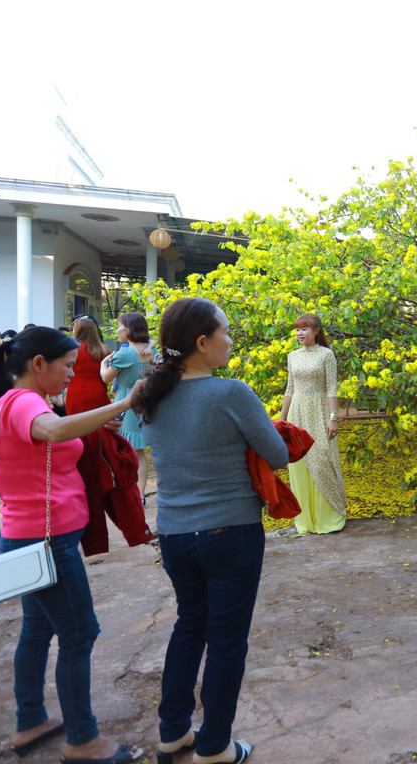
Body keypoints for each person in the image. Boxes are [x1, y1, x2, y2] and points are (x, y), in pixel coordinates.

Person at [0, 326, 143, 764]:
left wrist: (97, 421)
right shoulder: (25, 402)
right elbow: (52, 432)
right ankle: (82, 740)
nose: (73, 373)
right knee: (78, 633)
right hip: (45, 539)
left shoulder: (15, 401)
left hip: (30, 535)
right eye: (67, 366)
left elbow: (50, 437)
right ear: (39, 364)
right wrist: (124, 402)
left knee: (37, 630)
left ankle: (31, 721)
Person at [135, 297, 288, 764]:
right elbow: (278, 454)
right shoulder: (230, 393)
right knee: (225, 641)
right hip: (230, 532)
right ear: (202, 343)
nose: (230, 340)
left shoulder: (149, 395)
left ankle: (173, 733)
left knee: (189, 626)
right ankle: (215, 746)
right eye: (225, 331)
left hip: (174, 534)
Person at [277, 313, 347, 534]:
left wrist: (333, 418)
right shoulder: (293, 356)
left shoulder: (326, 355)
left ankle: (328, 518)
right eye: (297, 329)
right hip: (297, 413)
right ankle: (306, 520)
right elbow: (290, 388)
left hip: (319, 412)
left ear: (316, 331)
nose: (300, 333)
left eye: (304, 329)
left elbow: (331, 388)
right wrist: (282, 419)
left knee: (322, 460)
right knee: (299, 463)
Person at [100, 312, 156, 495]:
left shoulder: (125, 354)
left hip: (125, 402)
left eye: (119, 326)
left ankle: (128, 492)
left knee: (123, 450)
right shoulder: (151, 351)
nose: (117, 330)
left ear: (129, 328)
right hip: (145, 402)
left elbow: (106, 378)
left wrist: (103, 363)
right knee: (139, 453)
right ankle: (140, 495)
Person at [66, 315, 110, 415]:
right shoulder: (104, 351)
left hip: (75, 391)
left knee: (76, 422)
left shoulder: (71, 350)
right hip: (97, 392)